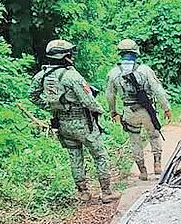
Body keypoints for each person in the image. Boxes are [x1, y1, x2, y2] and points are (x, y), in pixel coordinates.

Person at [29, 39, 119, 203]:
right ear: (64, 56)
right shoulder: (71, 75)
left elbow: (32, 96)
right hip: (83, 124)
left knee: (75, 156)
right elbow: (88, 101)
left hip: (62, 124)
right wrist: (101, 111)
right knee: (100, 156)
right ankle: (106, 192)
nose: (72, 56)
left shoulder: (42, 75)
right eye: (69, 53)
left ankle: (83, 192)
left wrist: (50, 107)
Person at [106, 39, 171, 180]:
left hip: (129, 111)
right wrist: (166, 108)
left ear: (120, 53)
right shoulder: (145, 70)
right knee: (154, 135)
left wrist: (113, 111)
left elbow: (110, 95)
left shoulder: (113, 73)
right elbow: (158, 90)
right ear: (136, 52)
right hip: (148, 110)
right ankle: (157, 164)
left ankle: (142, 171)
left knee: (135, 140)